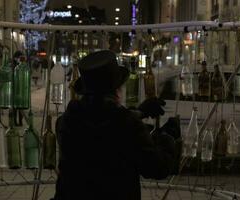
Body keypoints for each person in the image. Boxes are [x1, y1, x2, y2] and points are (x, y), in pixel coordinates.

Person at [53, 50, 176, 200]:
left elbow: (99, 123)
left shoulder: (66, 122)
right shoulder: (127, 125)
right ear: (117, 91)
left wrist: (138, 113)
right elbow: (157, 168)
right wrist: (168, 139)